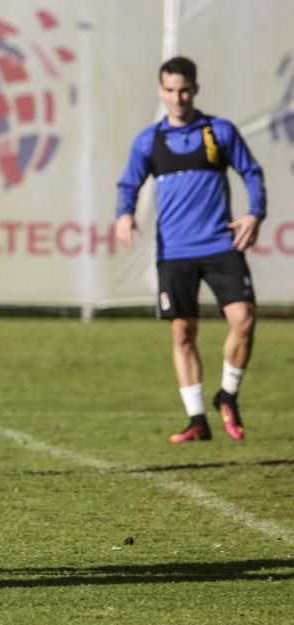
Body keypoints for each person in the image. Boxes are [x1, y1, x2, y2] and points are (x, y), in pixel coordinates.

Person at [115, 56, 265, 443]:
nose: (177, 97)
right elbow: (128, 184)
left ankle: (227, 393)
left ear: (195, 89)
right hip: (175, 252)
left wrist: (254, 214)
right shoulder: (150, 139)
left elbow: (251, 171)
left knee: (244, 319)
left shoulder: (219, 131)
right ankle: (197, 417)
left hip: (220, 243)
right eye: (170, 90)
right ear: (160, 91)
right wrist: (124, 215)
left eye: (184, 90)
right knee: (183, 334)